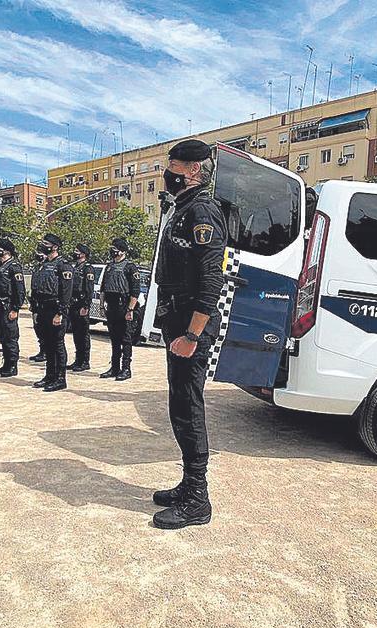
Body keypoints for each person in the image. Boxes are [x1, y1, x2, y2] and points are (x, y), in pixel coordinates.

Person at [149, 140, 226, 530]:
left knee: (188, 407)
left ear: (193, 170)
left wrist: (193, 336)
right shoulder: (182, 208)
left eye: (174, 164)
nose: (169, 170)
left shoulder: (202, 211)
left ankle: (198, 500)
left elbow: (212, 281)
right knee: (179, 403)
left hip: (190, 327)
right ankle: (188, 484)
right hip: (177, 320)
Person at [29, 233, 74, 392]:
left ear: (55, 247)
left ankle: (60, 378)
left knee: (57, 344)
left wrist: (60, 313)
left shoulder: (63, 265)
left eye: (46, 243)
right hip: (42, 308)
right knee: (47, 344)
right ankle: (50, 375)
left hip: (55, 309)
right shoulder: (42, 264)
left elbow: (66, 292)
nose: (43, 245)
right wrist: (34, 309)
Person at [99, 237, 142, 381]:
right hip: (111, 306)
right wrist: (101, 305)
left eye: (115, 248)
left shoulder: (130, 267)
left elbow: (135, 291)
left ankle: (126, 368)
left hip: (124, 305)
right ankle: (115, 367)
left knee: (126, 339)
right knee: (114, 339)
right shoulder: (109, 266)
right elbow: (103, 288)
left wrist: (130, 310)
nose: (113, 250)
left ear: (122, 251)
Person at [0, 237, 25, 377]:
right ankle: (5, 363)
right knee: (2, 336)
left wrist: (15, 308)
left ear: (6, 251)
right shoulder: (0, 266)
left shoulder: (14, 266)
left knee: (10, 337)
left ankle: (12, 365)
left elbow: (19, 289)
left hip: (8, 305)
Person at [67, 243, 96, 372]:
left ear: (83, 254)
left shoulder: (87, 269)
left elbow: (89, 289)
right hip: (73, 303)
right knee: (76, 334)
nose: (75, 252)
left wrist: (86, 305)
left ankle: (84, 361)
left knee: (83, 334)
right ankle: (78, 360)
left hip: (81, 303)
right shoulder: (75, 267)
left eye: (77, 251)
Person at [27, 249, 48, 364]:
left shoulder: (48, 267)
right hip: (36, 301)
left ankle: (45, 351)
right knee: (37, 326)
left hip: (44, 301)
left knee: (44, 328)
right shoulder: (37, 267)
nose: (38, 255)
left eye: (41, 253)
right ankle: (41, 350)